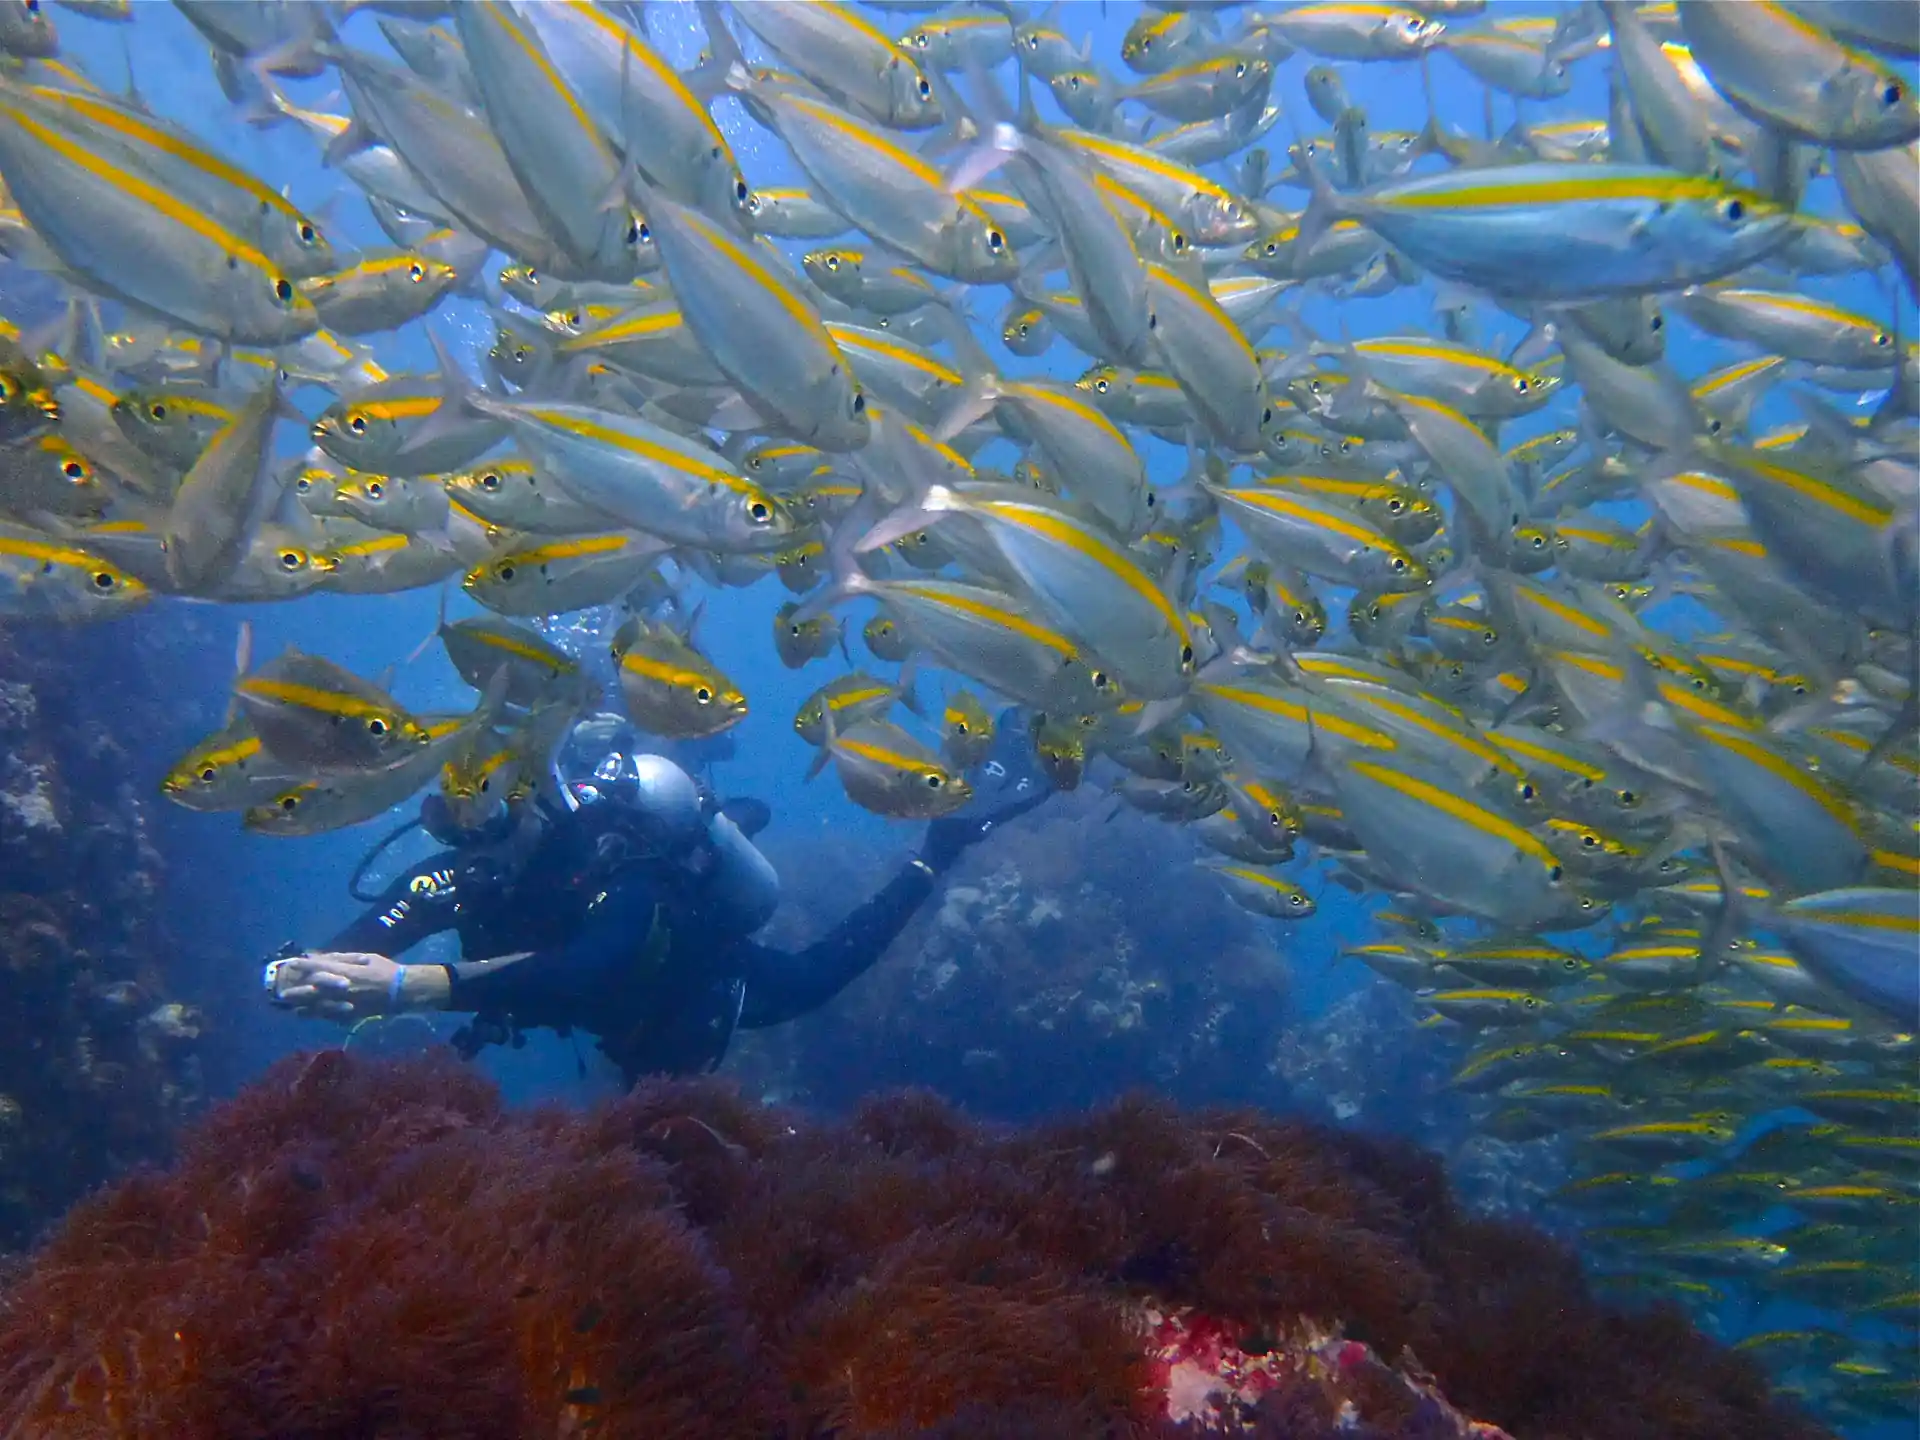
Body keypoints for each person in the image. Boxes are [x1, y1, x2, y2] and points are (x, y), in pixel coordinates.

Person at [263, 717, 1047, 1082]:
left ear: (535, 800)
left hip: (690, 979)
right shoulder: (460, 873)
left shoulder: (613, 861)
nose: (471, 836)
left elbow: (587, 972)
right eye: (451, 814)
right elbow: (365, 936)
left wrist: (408, 988)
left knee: (810, 981)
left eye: (489, 810)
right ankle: (712, 775)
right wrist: (301, 970)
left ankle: (931, 857)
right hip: (596, 1002)